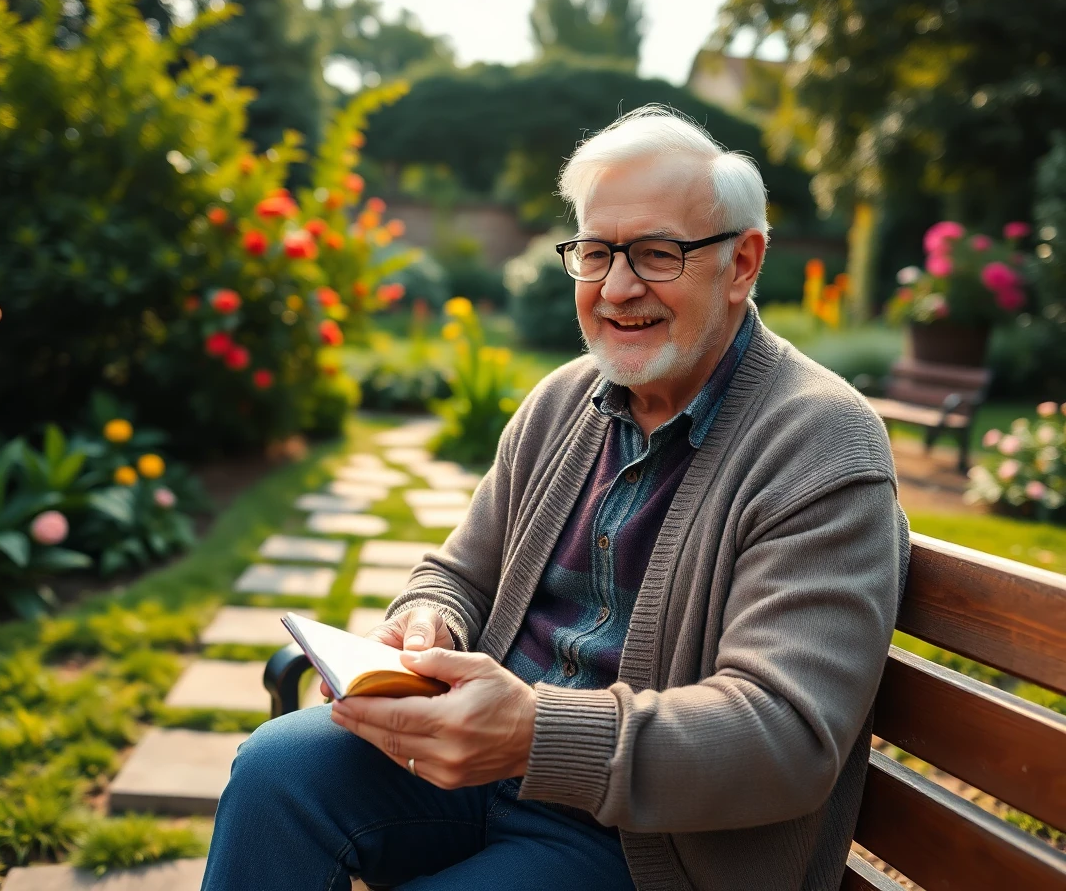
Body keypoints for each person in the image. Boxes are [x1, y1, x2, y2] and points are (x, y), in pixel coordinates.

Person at [201, 104, 909, 891]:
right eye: (597, 252)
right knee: (274, 775)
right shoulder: (565, 399)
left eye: (656, 253)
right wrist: (425, 618)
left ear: (743, 262)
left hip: (650, 847)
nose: (617, 287)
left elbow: (785, 735)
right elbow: (459, 572)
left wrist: (536, 736)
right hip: (484, 771)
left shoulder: (821, 444)